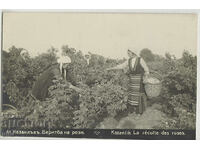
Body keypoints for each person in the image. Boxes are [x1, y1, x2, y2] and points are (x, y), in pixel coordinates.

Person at [106, 49, 150, 115]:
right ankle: (132, 110)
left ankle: (139, 112)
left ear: (133, 52)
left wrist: (146, 77)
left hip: (139, 80)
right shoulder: (129, 60)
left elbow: (146, 69)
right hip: (132, 80)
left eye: (129, 53)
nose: (128, 54)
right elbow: (121, 66)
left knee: (139, 94)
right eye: (128, 53)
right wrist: (111, 68)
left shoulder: (140, 59)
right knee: (132, 95)